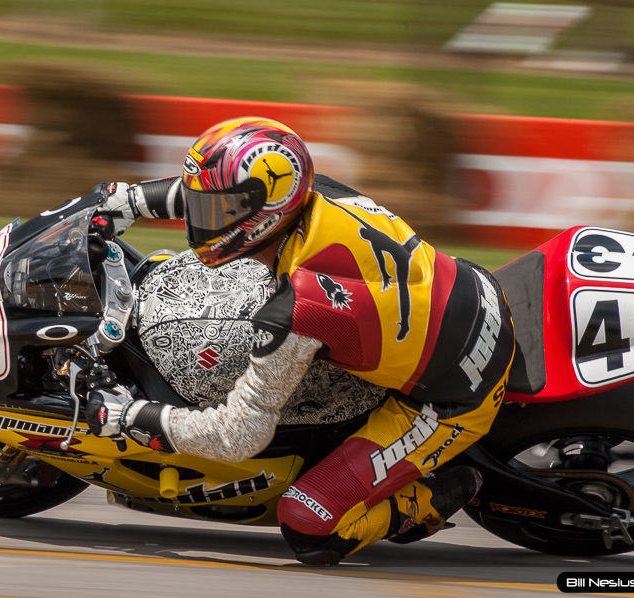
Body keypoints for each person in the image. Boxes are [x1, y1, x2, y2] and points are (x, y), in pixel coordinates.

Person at [85, 117, 515, 566]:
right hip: (472, 285)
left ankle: (425, 501)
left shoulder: (299, 309)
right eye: (200, 204)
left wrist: (131, 416)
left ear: (262, 216)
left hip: (455, 394)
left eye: (214, 210)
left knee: (308, 526)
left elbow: (239, 436)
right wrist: (131, 201)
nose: (198, 219)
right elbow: (204, 191)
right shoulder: (320, 191)